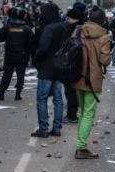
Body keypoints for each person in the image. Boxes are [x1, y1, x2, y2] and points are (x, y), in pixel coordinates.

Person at [73, 5, 111, 159]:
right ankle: (81, 147)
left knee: (82, 112)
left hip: (77, 76)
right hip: (93, 79)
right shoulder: (104, 37)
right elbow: (104, 60)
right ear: (102, 20)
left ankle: (81, 144)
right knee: (89, 113)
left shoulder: (79, 31)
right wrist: (109, 53)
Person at [31, 2, 68, 138]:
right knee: (58, 99)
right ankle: (57, 128)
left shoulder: (49, 29)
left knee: (42, 99)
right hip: (59, 67)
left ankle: (43, 129)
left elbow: (43, 48)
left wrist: (35, 58)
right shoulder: (64, 27)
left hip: (46, 68)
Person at [0, 7, 35, 101]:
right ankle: (17, 95)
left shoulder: (7, 27)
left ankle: (1, 94)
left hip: (10, 55)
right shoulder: (26, 28)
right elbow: (32, 43)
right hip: (22, 55)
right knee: (20, 75)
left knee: (7, 74)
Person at [62, 5, 86, 124]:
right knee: (78, 89)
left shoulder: (73, 29)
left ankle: (72, 116)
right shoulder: (86, 26)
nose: (67, 20)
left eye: (69, 18)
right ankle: (80, 113)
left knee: (70, 90)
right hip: (83, 63)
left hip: (72, 63)